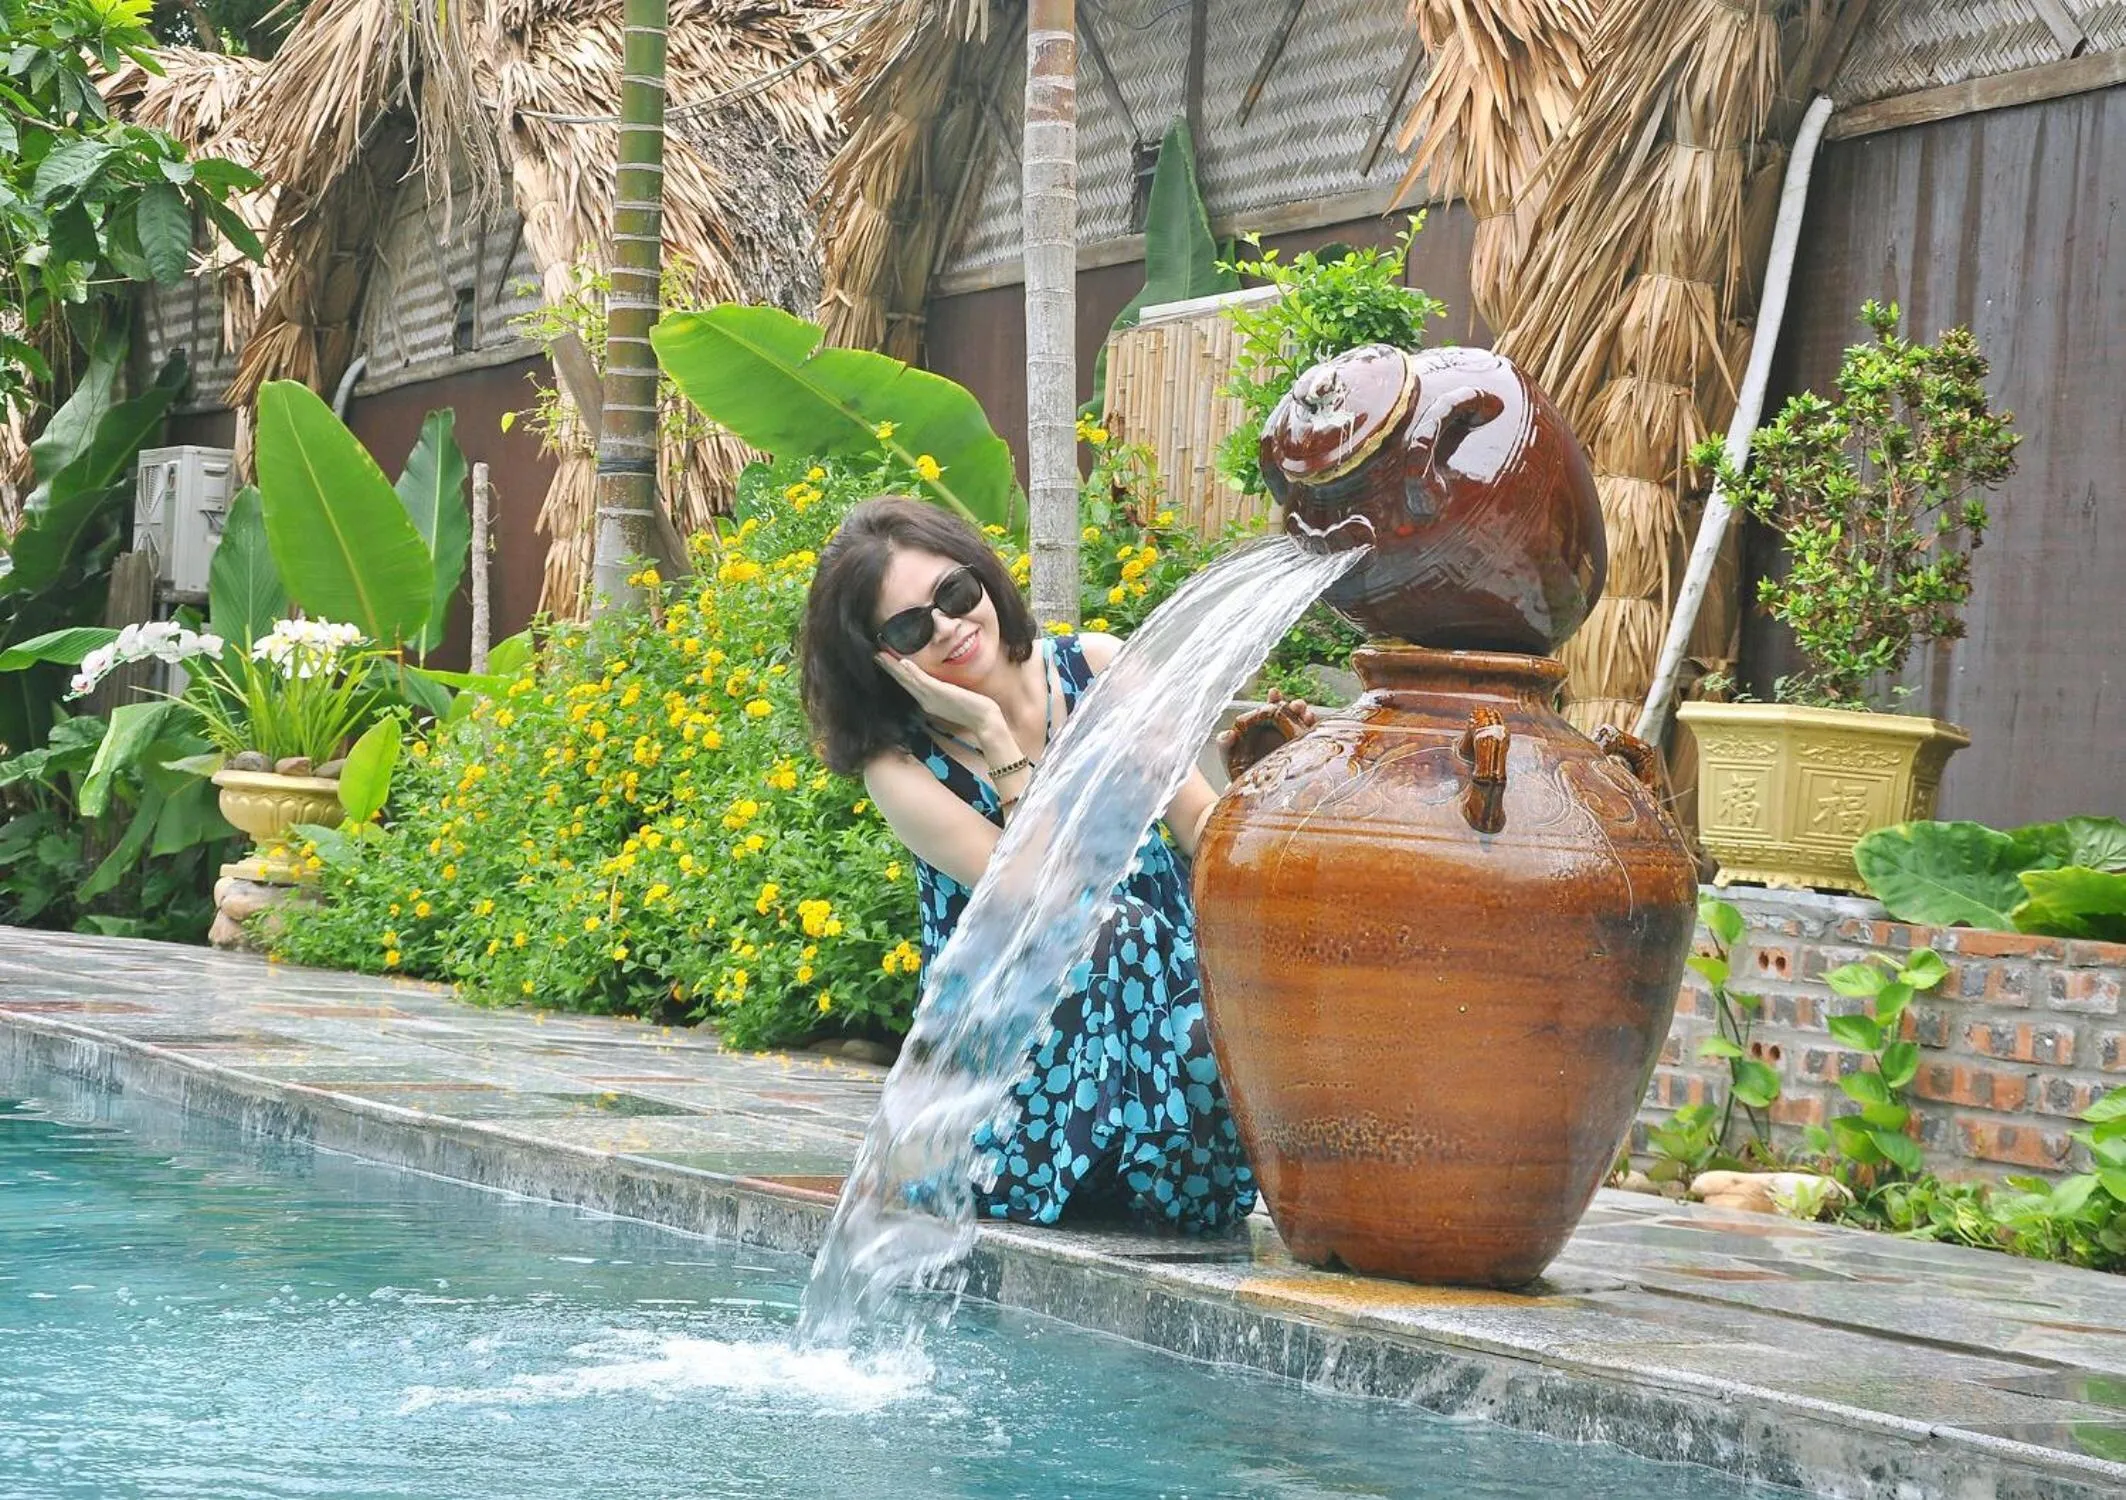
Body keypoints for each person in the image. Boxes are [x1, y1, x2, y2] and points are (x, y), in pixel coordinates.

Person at [800, 497, 1311, 1233]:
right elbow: (1045, 899)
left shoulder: (1098, 668)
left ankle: (1170, 1169)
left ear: (981, 579)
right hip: (1021, 1089)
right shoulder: (901, 766)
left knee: (1214, 1020)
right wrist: (993, 733)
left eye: (954, 594)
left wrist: (1280, 801)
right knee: (1112, 927)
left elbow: (1199, 823)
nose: (948, 627)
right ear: (883, 658)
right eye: (911, 627)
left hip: (1170, 1040)